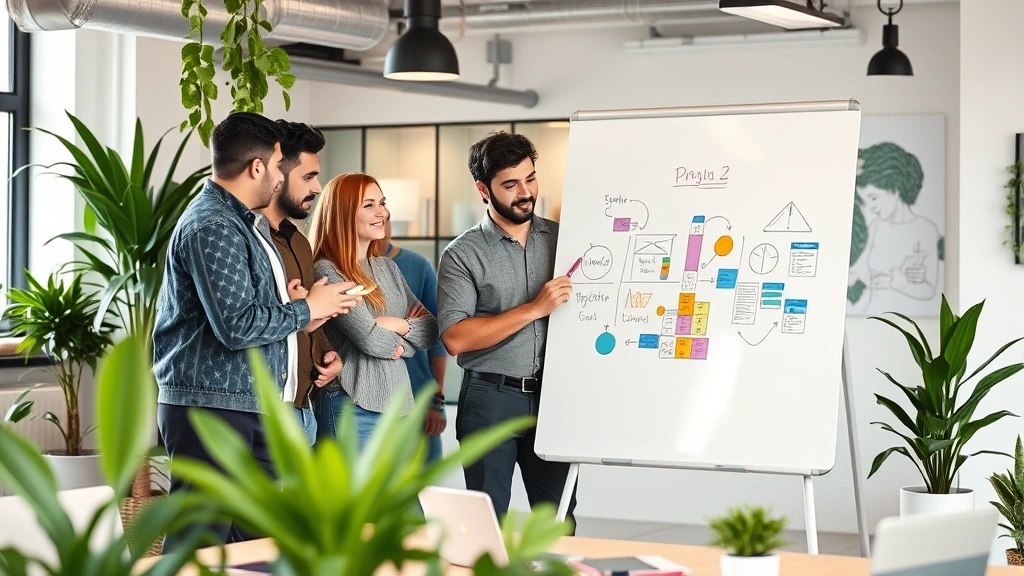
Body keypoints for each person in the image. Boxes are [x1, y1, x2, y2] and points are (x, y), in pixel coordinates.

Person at [153, 112, 360, 551]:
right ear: (258, 167)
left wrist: (307, 313)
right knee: (199, 544)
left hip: (251, 404)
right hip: (210, 407)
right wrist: (307, 308)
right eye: (280, 166)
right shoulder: (213, 225)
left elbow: (253, 313)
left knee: (254, 545)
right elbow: (237, 326)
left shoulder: (247, 224)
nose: (282, 179)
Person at [436, 131, 578, 531]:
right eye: (510, 184)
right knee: (487, 524)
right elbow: (455, 338)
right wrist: (534, 309)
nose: (526, 192)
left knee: (559, 522)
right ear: (484, 189)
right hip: (490, 399)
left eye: (530, 178)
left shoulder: (565, 240)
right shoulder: (462, 254)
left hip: (554, 400)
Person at [309, 173, 439, 450]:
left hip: (400, 408)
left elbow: (430, 330)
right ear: (344, 213)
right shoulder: (327, 270)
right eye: (369, 205)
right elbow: (371, 340)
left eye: (382, 203)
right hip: (352, 406)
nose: (382, 213)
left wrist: (396, 324)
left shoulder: (387, 267)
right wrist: (405, 339)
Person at [259, 119, 344, 446]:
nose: (317, 188)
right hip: (266, 411)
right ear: (276, 175)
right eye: (308, 177)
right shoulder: (248, 241)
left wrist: (327, 353)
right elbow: (242, 322)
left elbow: (308, 317)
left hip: (304, 407)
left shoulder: (298, 241)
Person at [383, 216, 448, 463]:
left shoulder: (417, 266)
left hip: (420, 399)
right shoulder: (343, 267)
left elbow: (436, 339)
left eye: (387, 217)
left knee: (425, 480)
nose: (381, 221)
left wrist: (436, 402)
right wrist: (407, 325)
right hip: (372, 401)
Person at [848, 141, 941, 313]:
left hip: (909, 319)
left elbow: (929, 290)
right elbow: (860, 270)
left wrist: (895, 282)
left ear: (895, 190)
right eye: (867, 200)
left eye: (874, 198)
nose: (871, 207)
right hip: (873, 315)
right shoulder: (876, 226)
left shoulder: (926, 229)